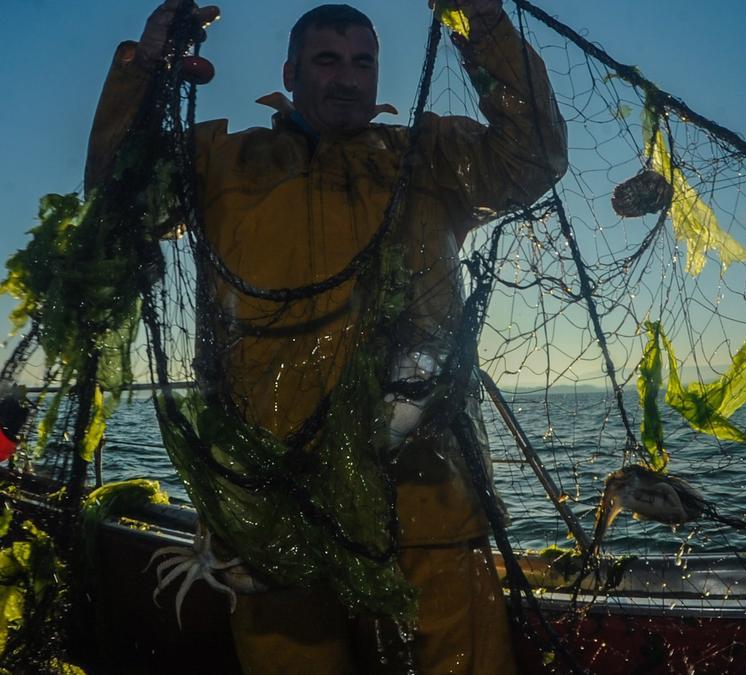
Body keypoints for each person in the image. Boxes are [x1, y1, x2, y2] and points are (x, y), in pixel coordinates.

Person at [85, 1, 567, 673]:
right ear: (290, 70)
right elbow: (116, 189)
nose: (346, 78)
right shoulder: (222, 163)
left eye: (362, 62)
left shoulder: (430, 158)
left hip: (428, 493)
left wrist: (480, 22)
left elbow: (534, 153)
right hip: (270, 498)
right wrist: (149, 64)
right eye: (327, 60)